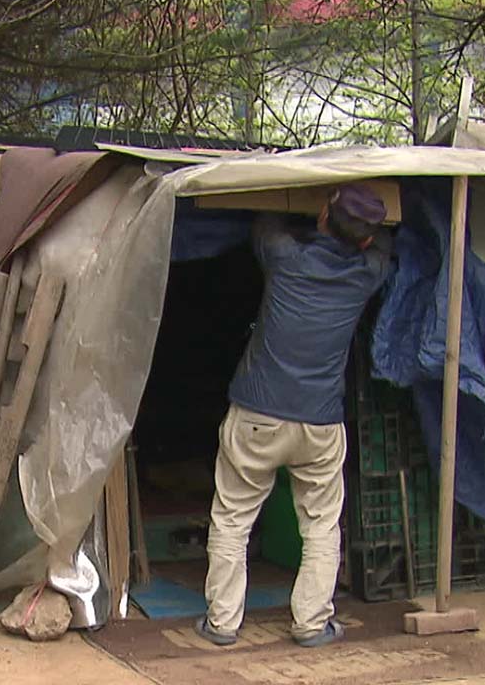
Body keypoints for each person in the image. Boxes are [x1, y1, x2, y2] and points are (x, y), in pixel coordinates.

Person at [196, 183, 393, 648]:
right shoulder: (369, 271)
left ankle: (222, 624)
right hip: (320, 423)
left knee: (232, 519)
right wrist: (353, 231)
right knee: (322, 525)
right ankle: (310, 624)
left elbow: (264, 220)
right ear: (365, 240)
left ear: (324, 214)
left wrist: (311, 207)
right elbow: (384, 244)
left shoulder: (284, 256)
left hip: (257, 416)